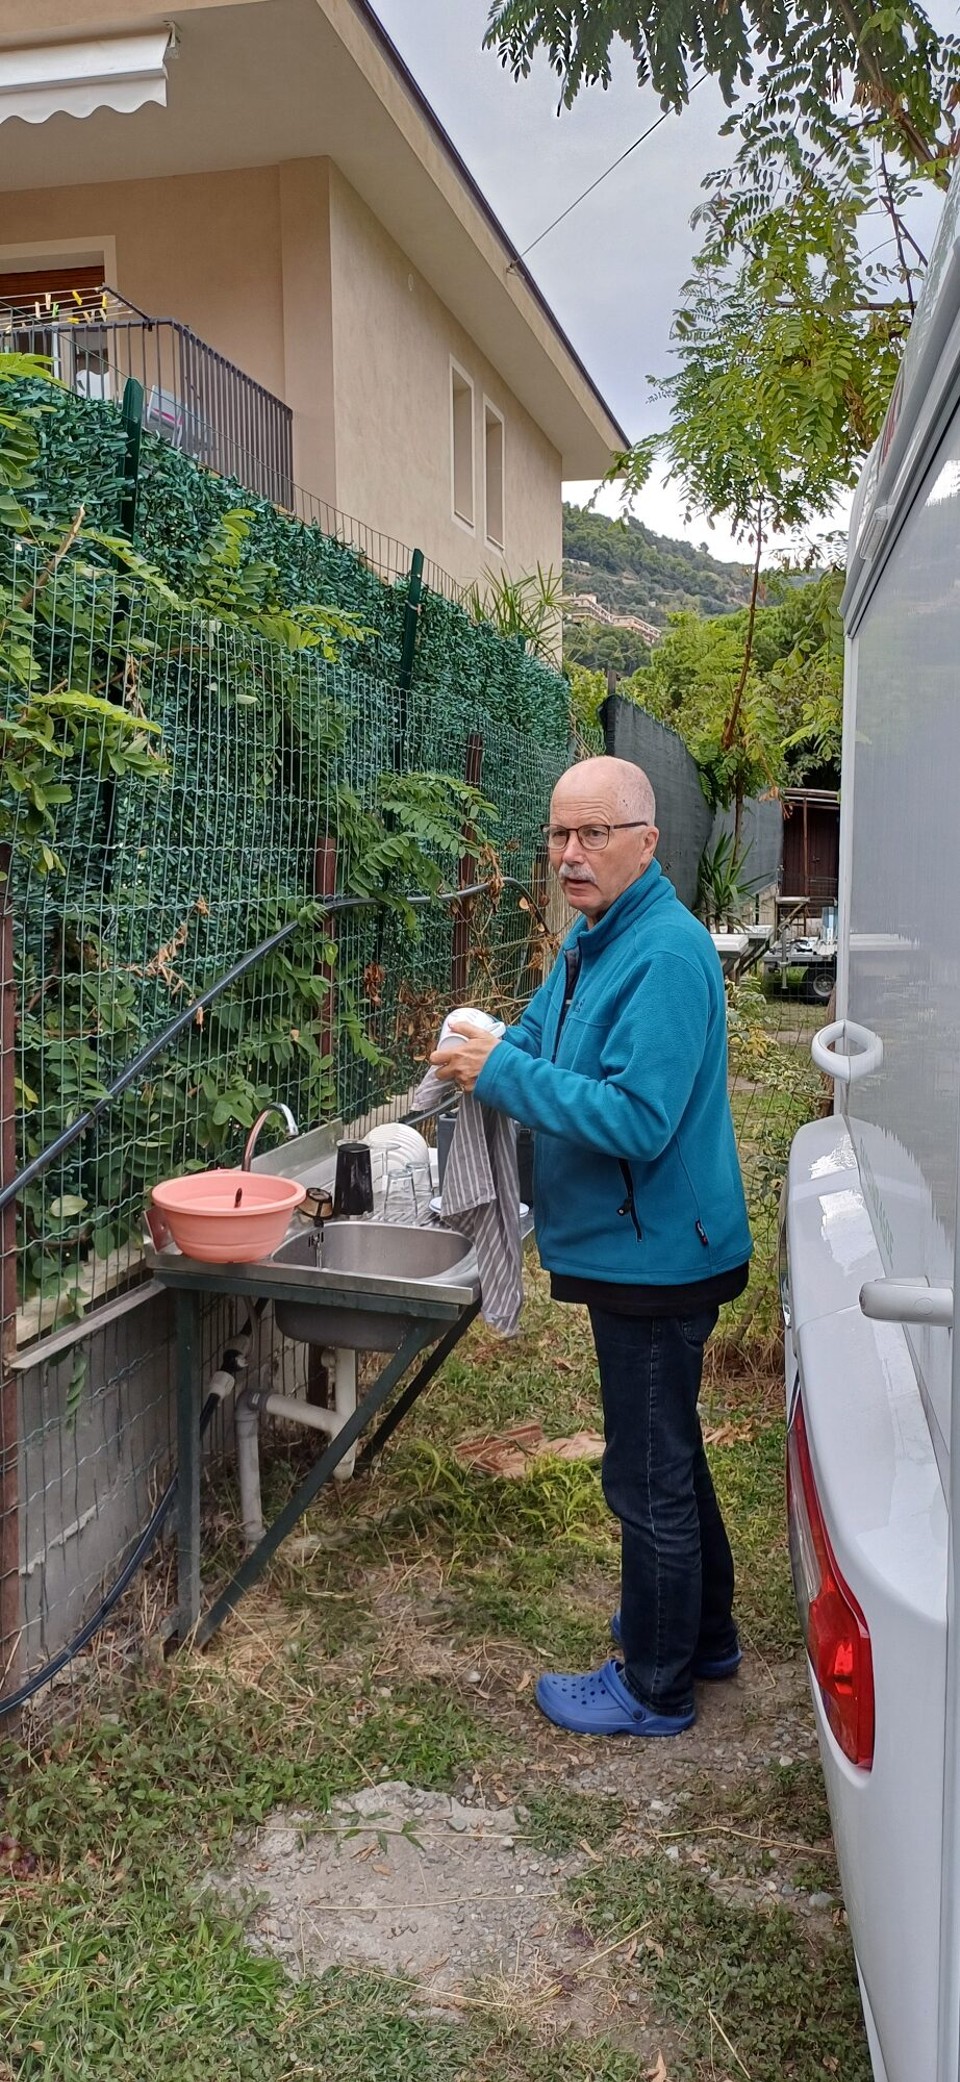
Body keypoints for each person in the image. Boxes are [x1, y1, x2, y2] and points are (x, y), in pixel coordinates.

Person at [429, 756, 752, 1738]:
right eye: (560, 835)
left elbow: (638, 1118)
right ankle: (704, 1636)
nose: (571, 854)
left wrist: (502, 1078)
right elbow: (538, 1043)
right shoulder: (595, 937)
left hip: (657, 1257)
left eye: (594, 835)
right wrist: (484, 1048)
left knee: (645, 1476)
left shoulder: (661, 953)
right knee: (674, 1458)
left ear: (646, 843)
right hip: (643, 1244)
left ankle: (655, 1685)